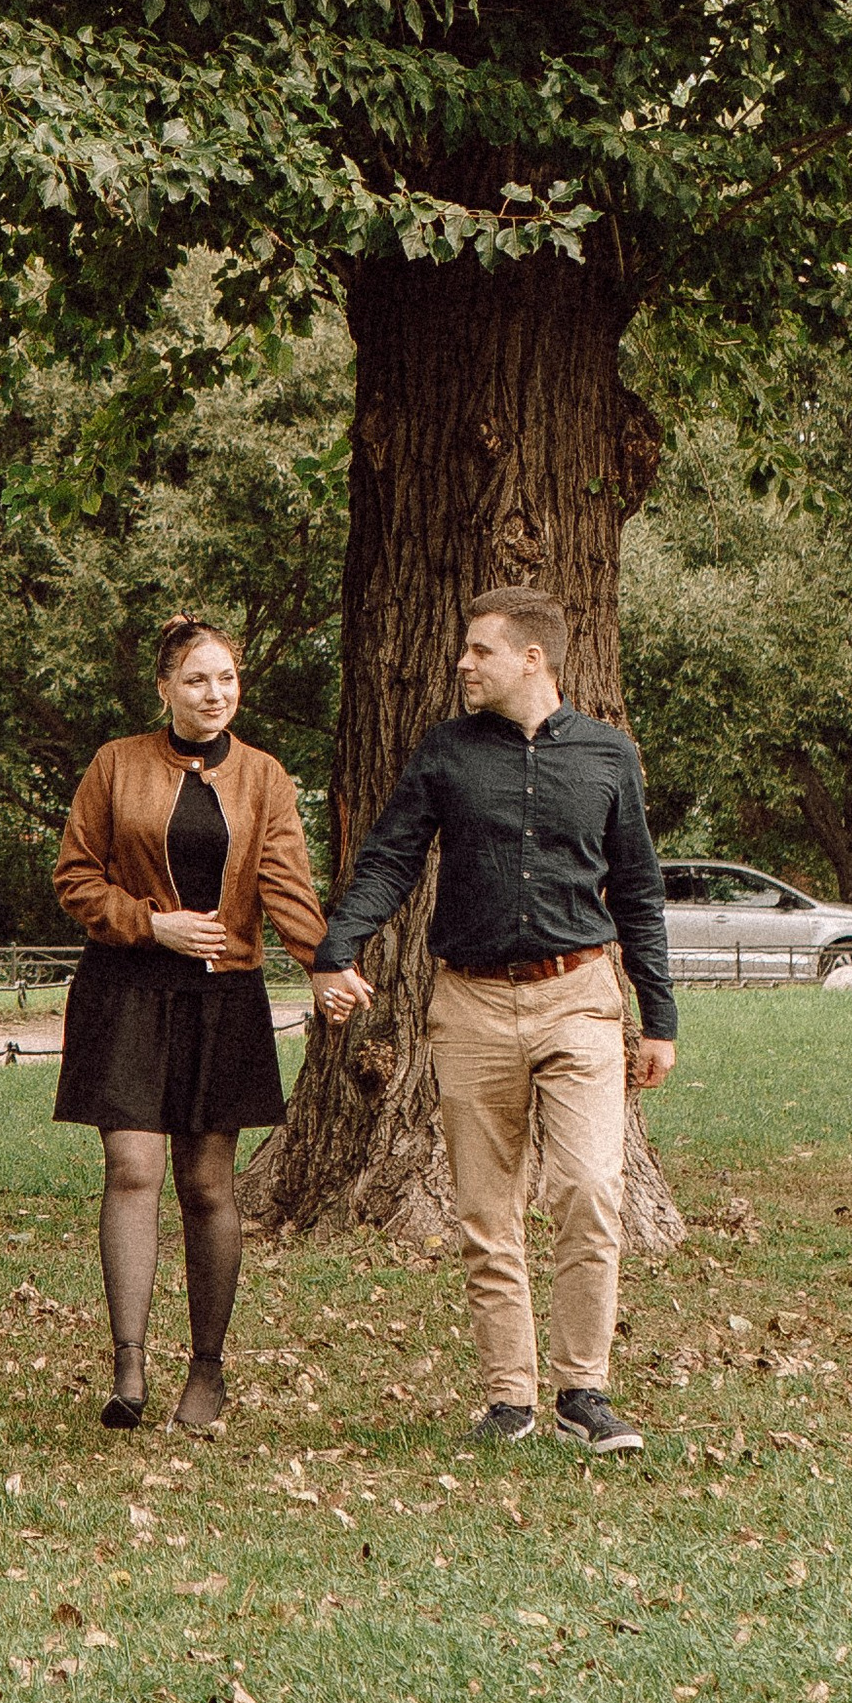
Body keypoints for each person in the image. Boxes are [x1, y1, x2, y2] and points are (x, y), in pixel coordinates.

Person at [309, 586, 676, 1455]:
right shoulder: (444, 753)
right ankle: (509, 1398)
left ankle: (584, 1390)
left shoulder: (608, 756)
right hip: (467, 1003)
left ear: (532, 659)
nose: (463, 665)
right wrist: (338, 948)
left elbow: (640, 892)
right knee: (485, 1209)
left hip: (579, 995)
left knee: (589, 1188)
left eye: (480, 651)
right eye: (464, 650)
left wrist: (657, 1020)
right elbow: (391, 857)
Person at [53, 617, 331, 1432]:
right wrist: (152, 923)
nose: (216, 695)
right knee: (131, 1169)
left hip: (222, 998)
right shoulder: (115, 764)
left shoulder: (265, 777)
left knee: (206, 1185)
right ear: (166, 690)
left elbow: (286, 887)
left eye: (228, 681)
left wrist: (325, 967)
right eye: (199, 681)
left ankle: (207, 1371)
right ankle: (128, 1364)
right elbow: (75, 877)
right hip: (125, 989)